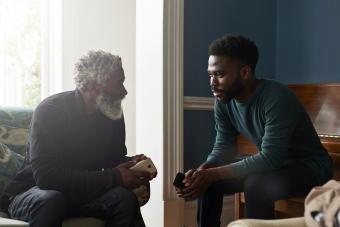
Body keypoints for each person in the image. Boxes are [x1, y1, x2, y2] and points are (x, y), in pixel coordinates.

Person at [176, 34, 333, 226]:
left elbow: (271, 158)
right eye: (210, 75)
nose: (212, 83)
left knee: (257, 185)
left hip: (309, 167)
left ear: (245, 73)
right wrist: (201, 174)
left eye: (220, 74)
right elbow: (223, 148)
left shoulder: (276, 97)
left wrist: (212, 174)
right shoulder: (224, 100)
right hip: (276, 166)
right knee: (210, 183)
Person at [1, 50, 156, 227]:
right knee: (51, 199)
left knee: (124, 198)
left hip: (80, 194)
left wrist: (133, 166)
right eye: (120, 82)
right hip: (32, 191)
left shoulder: (113, 115)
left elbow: (113, 161)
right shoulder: (50, 111)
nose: (124, 91)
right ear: (95, 84)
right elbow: (46, 178)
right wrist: (114, 177)